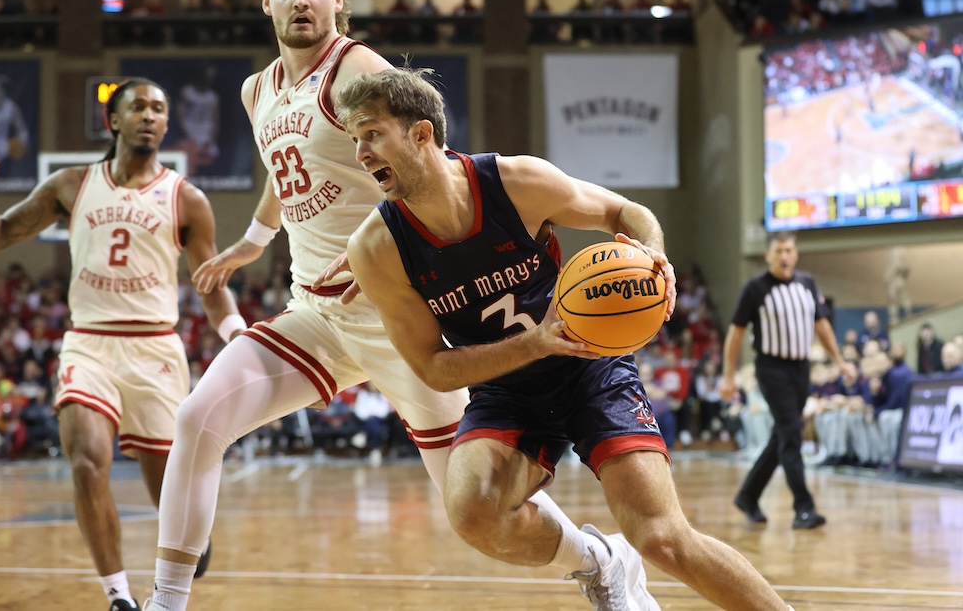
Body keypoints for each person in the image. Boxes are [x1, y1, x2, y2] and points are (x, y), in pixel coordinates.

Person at [146, 0, 656, 610]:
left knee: (477, 516)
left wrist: (388, 250)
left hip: (405, 322)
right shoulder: (257, 89)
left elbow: (425, 154)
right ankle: (164, 602)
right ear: (264, 0)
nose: (302, 1)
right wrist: (249, 243)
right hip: (318, 316)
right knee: (199, 417)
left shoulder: (356, 67)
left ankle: (602, 558)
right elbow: (285, 165)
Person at [336, 66, 797, 611]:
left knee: (662, 539)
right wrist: (536, 342)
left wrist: (655, 255)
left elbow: (625, 212)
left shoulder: (516, 183)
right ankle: (601, 562)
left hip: (590, 367)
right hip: (506, 389)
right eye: (355, 139)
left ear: (420, 134)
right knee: (472, 513)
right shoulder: (378, 248)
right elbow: (435, 368)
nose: (361, 153)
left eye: (372, 133)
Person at [0, 78, 246, 611]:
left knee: (170, 490)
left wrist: (236, 335)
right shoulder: (71, 185)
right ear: (114, 121)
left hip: (155, 349)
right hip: (90, 343)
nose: (149, 115)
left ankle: (191, 534)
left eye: (159, 109)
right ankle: (118, 596)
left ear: (166, 125)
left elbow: (212, 287)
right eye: (137, 106)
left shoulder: (187, 199)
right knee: (88, 460)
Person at [721, 232, 856, 530]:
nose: (785, 255)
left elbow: (821, 325)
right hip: (771, 368)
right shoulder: (755, 288)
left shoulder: (807, 284)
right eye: (779, 250)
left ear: (795, 254)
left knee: (782, 435)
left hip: (800, 368)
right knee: (792, 433)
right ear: (768, 255)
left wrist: (839, 361)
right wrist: (729, 375)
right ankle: (804, 508)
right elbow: (736, 334)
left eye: (790, 250)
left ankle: (748, 495)